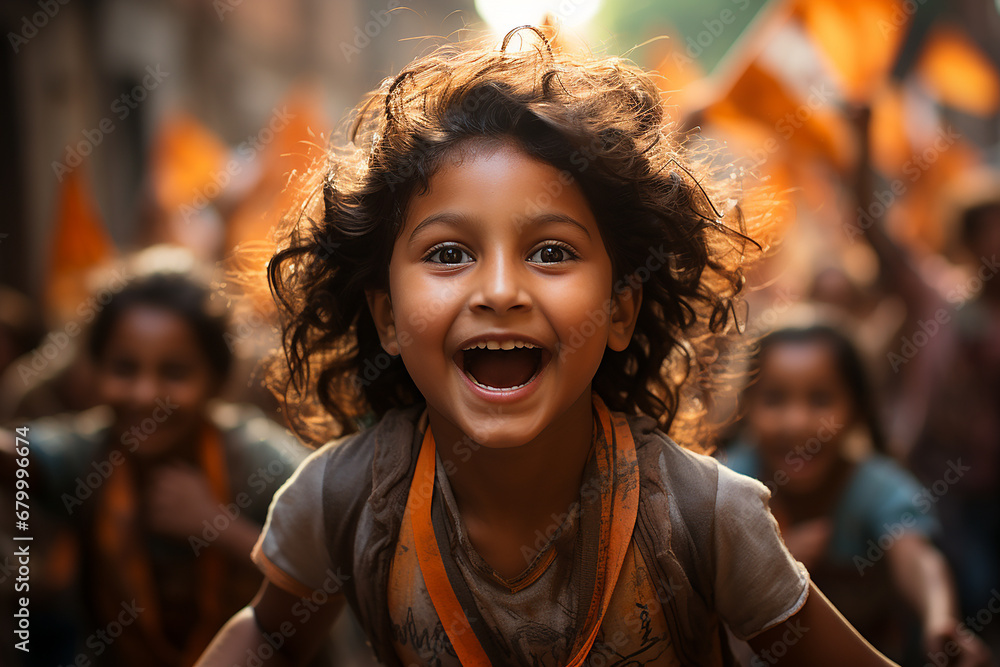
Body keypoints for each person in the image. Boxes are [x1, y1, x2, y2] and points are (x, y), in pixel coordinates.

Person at [197, 28, 899, 666]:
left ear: (621, 309)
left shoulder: (705, 517)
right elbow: (267, 635)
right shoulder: (341, 498)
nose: (501, 290)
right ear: (386, 316)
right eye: (448, 253)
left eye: (552, 252)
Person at [0, 266, 311, 666]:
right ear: (96, 370)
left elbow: (322, 570)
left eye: (174, 372)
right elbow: (17, 457)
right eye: (124, 369)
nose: (145, 394)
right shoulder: (90, 452)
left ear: (216, 379)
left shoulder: (261, 461)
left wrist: (219, 527)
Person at [723, 324, 991, 666]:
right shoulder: (726, 484)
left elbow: (916, 555)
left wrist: (940, 619)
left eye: (820, 399)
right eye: (775, 399)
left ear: (856, 409)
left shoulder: (876, 486)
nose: (797, 422)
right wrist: (771, 568)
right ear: (746, 407)